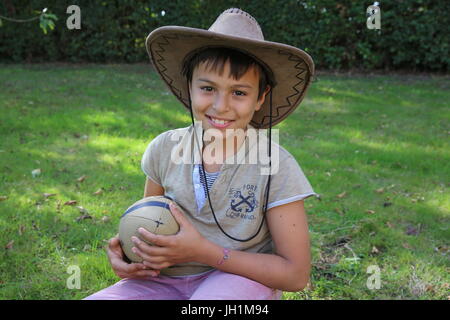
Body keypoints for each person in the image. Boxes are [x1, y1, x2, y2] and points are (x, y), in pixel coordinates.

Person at [84, 7, 317, 300]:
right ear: (189, 87)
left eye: (239, 92)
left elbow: (295, 275)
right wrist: (130, 256)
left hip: (239, 279)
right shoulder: (164, 149)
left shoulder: (277, 166)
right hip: (163, 280)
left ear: (261, 97)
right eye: (208, 88)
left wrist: (204, 252)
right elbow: (149, 219)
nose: (220, 106)